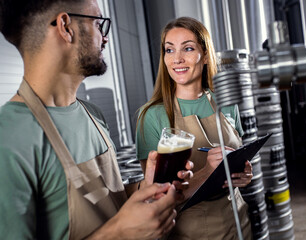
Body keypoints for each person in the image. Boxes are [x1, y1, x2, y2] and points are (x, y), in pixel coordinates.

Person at [0, 0, 193, 239]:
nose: (105, 38)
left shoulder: (92, 114)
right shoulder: (8, 136)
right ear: (65, 27)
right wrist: (121, 232)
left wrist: (146, 187)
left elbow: (107, 202)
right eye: (98, 23)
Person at [136, 17, 253, 240]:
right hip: (190, 230)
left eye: (187, 48)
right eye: (169, 50)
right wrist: (209, 172)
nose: (177, 59)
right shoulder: (151, 116)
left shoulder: (226, 103)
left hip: (238, 222)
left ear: (206, 55)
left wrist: (246, 174)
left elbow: (240, 159)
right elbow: (155, 197)